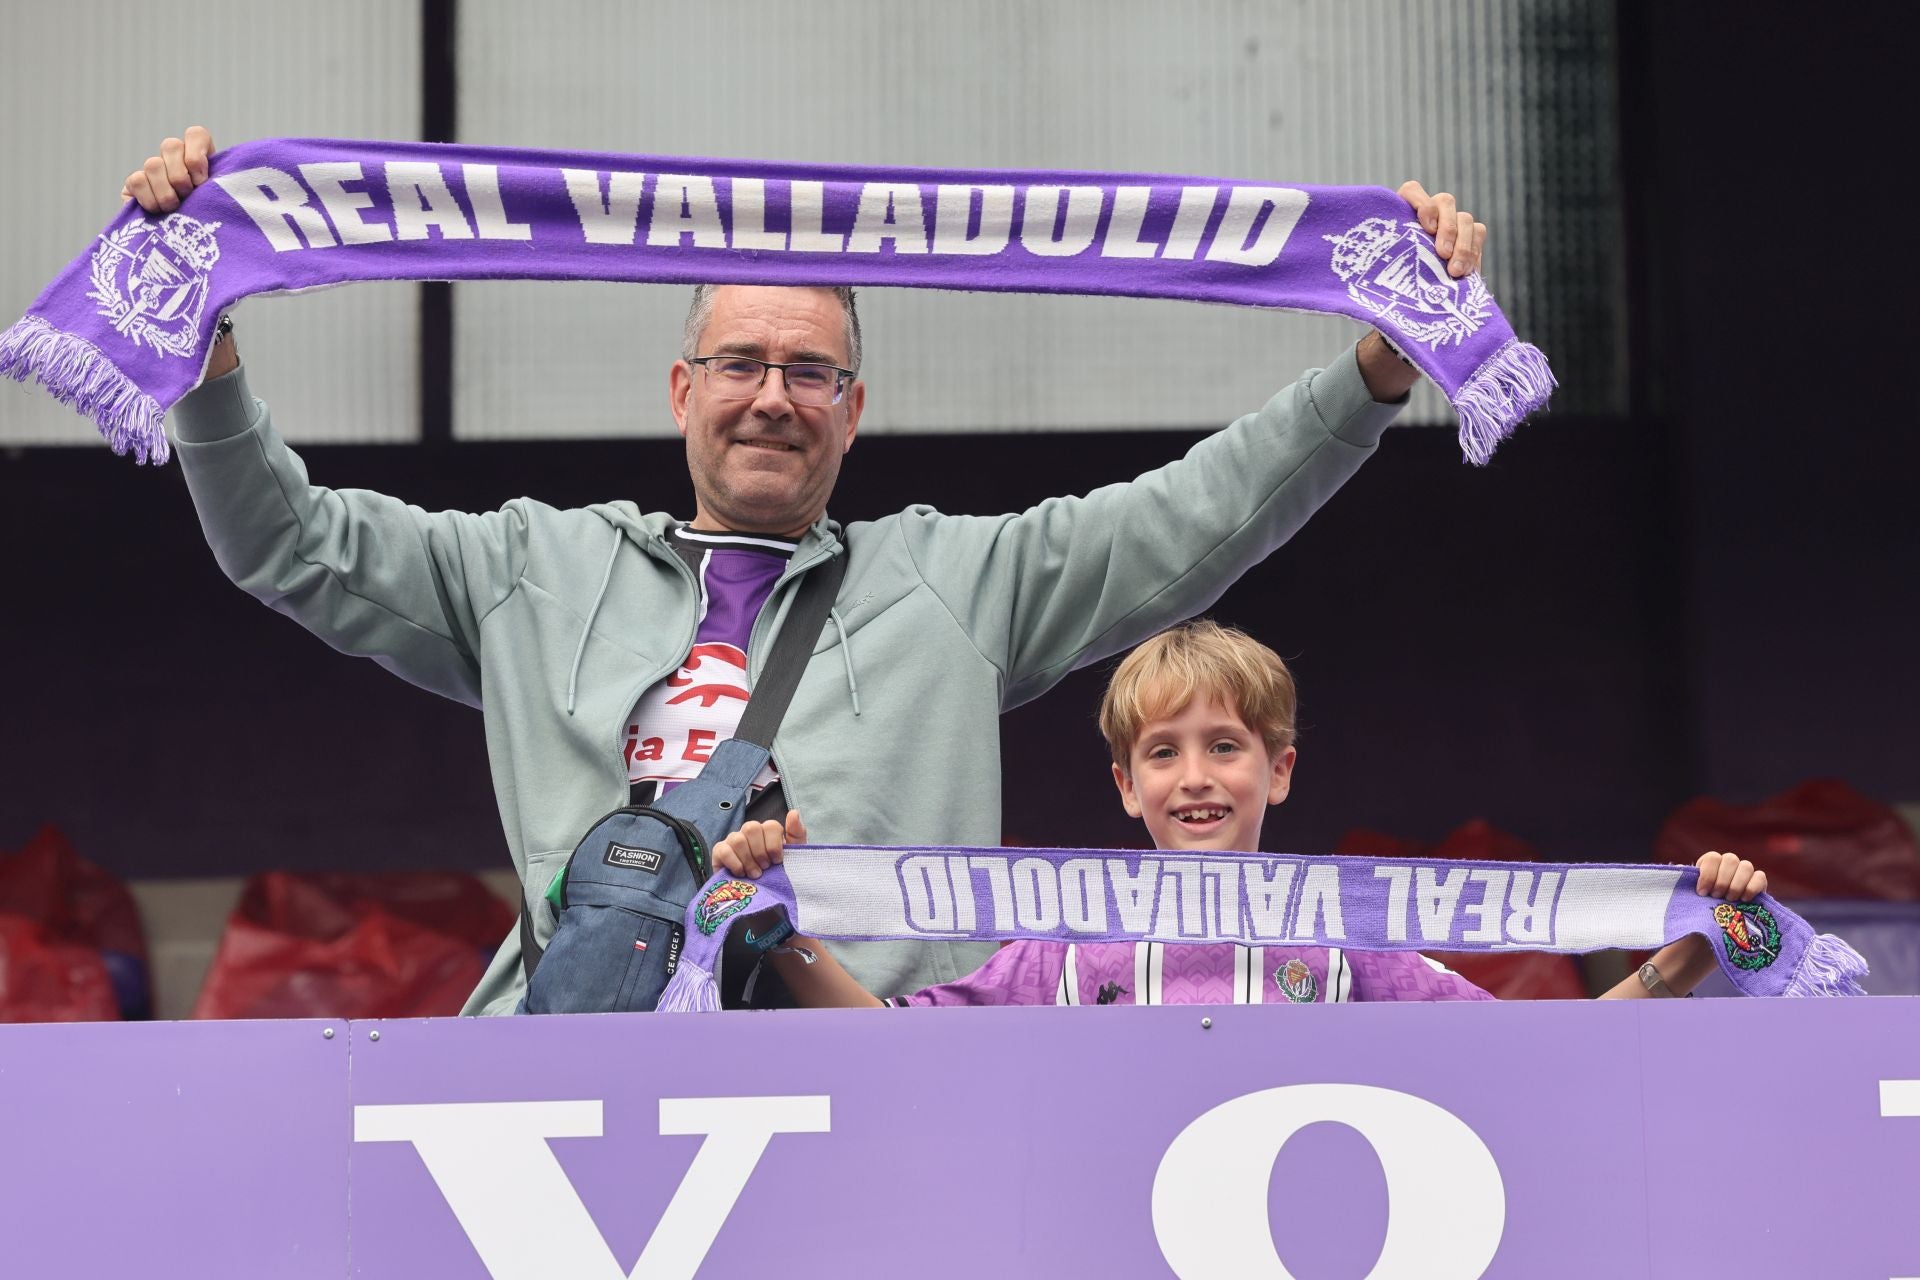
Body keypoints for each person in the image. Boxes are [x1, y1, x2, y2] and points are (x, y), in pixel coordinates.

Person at [123, 128, 1489, 1013]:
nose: (771, 397)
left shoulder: (959, 582)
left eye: (810, 372)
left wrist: (1370, 373)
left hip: (876, 1072)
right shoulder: (525, 567)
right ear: (681, 388)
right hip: (578, 1070)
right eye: (740, 364)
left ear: (854, 407)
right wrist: (205, 338)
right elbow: (284, 542)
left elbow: (1198, 515)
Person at [713, 620, 1769, 1006]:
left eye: (1226, 746)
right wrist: (777, 922)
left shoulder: (1356, 938)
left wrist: (1684, 953)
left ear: (1282, 769)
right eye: (1162, 753)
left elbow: (1550, 1061)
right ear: (1126, 786)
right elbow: (889, 1047)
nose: (1196, 775)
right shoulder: (1057, 947)